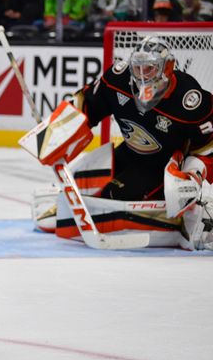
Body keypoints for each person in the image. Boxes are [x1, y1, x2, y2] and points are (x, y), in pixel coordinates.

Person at [26, 36, 213, 250]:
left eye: (149, 68)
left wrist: (192, 174)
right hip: (127, 153)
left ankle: (188, 218)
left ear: (167, 67)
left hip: (160, 168)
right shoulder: (117, 79)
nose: (142, 75)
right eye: (137, 68)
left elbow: (207, 145)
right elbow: (86, 103)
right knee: (79, 184)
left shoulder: (189, 99)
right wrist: (56, 131)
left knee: (113, 195)